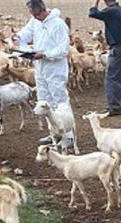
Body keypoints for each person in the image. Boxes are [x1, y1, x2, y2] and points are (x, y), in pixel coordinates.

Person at [14, 0, 72, 146]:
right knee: (45, 100)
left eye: (36, 14)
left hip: (55, 68)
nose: (34, 17)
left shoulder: (58, 24)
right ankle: (54, 133)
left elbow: (63, 49)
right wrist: (18, 38)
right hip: (40, 68)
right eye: (32, 15)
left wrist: (45, 54)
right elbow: (26, 33)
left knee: (59, 100)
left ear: (42, 10)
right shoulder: (35, 22)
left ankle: (68, 134)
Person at [89, 0, 121, 115]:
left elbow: (93, 13)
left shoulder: (111, 11)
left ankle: (115, 106)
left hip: (117, 47)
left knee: (112, 77)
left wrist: (95, 1)